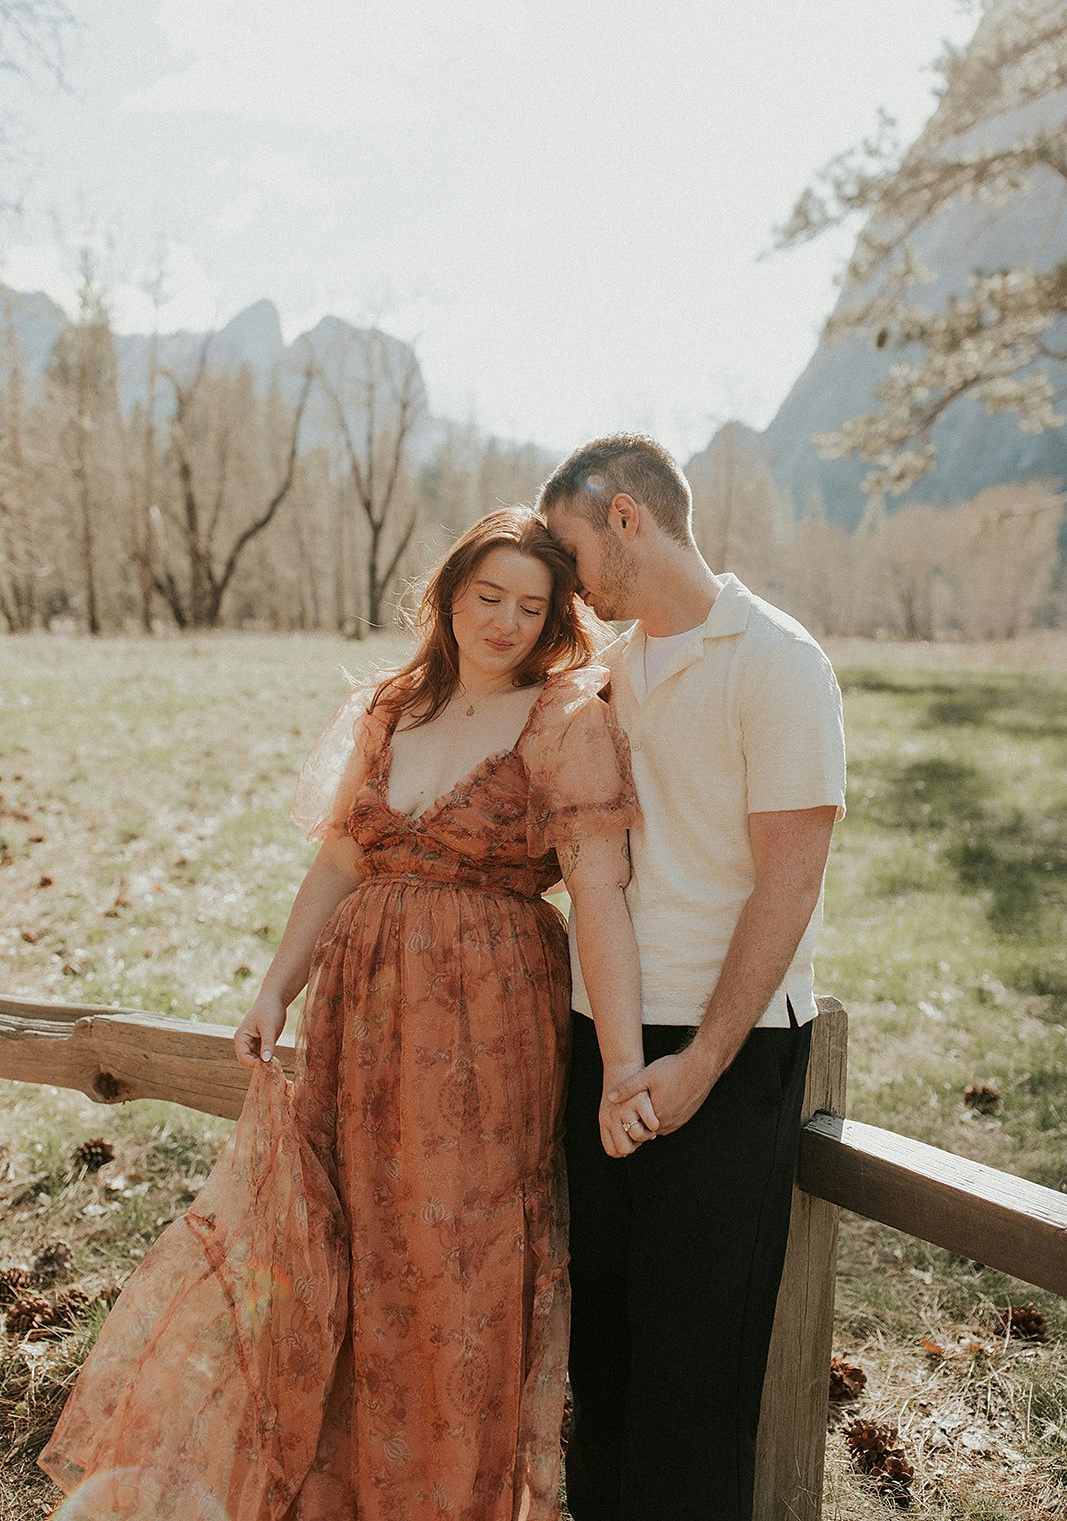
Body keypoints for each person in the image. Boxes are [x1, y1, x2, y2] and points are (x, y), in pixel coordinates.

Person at [39, 506, 653, 1521]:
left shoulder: (563, 721)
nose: (503, 621)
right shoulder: (390, 706)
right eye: (487, 596)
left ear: (554, 622)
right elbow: (338, 859)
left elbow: (595, 890)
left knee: (456, 1264)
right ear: (450, 594)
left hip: (485, 1028)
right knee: (344, 1250)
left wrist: (624, 1061)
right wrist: (273, 988)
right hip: (357, 1015)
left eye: (529, 607)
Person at [539, 435, 846, 1521]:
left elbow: (788, 884)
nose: (567, 579)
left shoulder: (777, 661)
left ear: (624, 517)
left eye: (573, 547)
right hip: (604, 1037)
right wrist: (620, 1057)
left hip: (733, 1046)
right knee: (607, 1350)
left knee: (692, 1367)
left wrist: (699, 1064)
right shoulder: (606, 676)